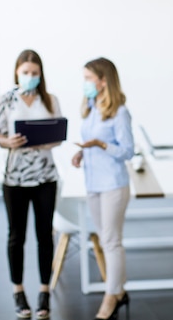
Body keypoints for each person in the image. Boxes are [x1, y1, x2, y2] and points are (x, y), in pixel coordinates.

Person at [0, 49, 63, 319]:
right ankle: (18, 291)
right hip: (15, 179)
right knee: (16, 236)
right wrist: (7, 142)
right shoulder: (5, 100)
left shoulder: (50, 100)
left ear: (40, 74)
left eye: (34, 73)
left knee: (45, 235)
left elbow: (59, 134)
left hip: (45, 176)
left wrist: (47, 140)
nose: (30, 77)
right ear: (16, 73)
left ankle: (44, 291)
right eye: (25, 72)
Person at [71, 58, 135, 320]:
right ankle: (118, 290)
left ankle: (112, 296)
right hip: (93, 183)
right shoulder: (90, 106)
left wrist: (101, 145)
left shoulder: (119, 111)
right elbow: (89, 142)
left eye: (89, 78)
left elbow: (128, 151)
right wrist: (82, 154)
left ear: (103, 80)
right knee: (104, 238)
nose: (85, 83)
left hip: (113, 185)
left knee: (111, 241)